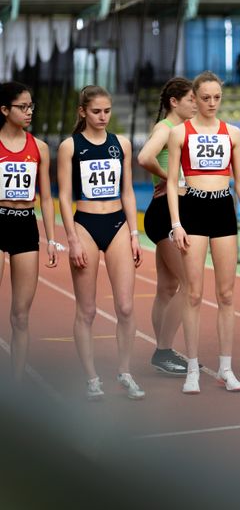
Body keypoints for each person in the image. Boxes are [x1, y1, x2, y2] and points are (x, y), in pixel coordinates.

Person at [167, 70, 240, 394]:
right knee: (193, 293)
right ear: (194, 97)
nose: (212, 103)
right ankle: (192, 368)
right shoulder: (179, 133)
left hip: (222, 209)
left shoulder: (232, 133)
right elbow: (173, 182)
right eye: (205, 98)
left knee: (227, 294)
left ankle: (226, 368)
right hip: (192, 209)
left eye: (217, 97)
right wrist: (176, 224)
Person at [57, 85, 144, 401]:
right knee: (88, 310)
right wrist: (72, 238)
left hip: (118, 223)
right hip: (86, 226)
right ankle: (92, 378)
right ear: (82, 112)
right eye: (96, 111)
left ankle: (125, 373)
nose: (103, 116)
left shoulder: (121, 144)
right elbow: (64, 196)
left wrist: (135, 235)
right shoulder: (70, 146)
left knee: (126, 306)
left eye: (107, 111)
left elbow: (128, 192)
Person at [137, 77, 196, 376]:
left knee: (167, 288)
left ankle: (162, 350)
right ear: (174, 101)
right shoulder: (165, 129)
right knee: (190, 285)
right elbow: (144, 157)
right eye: (191, 100)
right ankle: (163, 351)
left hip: (163, 212)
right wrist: (168, 178)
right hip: (166, 213)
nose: (196, 105)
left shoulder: (181, 130)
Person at [0, 81, 58, 381]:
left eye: (30, 106)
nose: (29, 111)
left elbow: (46, 198)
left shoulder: (40, 148)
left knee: (20, 315)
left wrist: (50, 239)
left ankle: (16, 382)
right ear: (4, 109)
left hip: (25, 225)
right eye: (22, 107)